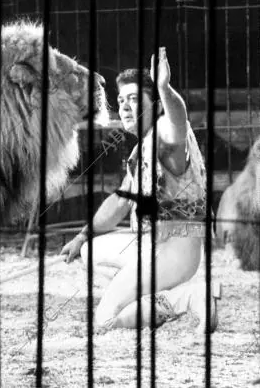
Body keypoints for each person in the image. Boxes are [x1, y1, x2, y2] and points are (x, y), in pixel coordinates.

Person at [60, 47, 222, 333]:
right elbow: (119, 203)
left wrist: (165, 88)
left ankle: (184, 297)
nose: (123, 106)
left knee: (105, 323)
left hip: (175, 250)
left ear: (156, 105)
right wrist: (81, 236)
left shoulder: (165, 132)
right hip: (153, 245)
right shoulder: (141, 148)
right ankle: (157, 297)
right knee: (90, 250)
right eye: (121, 100)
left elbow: (178, 121)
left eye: (134, 99)